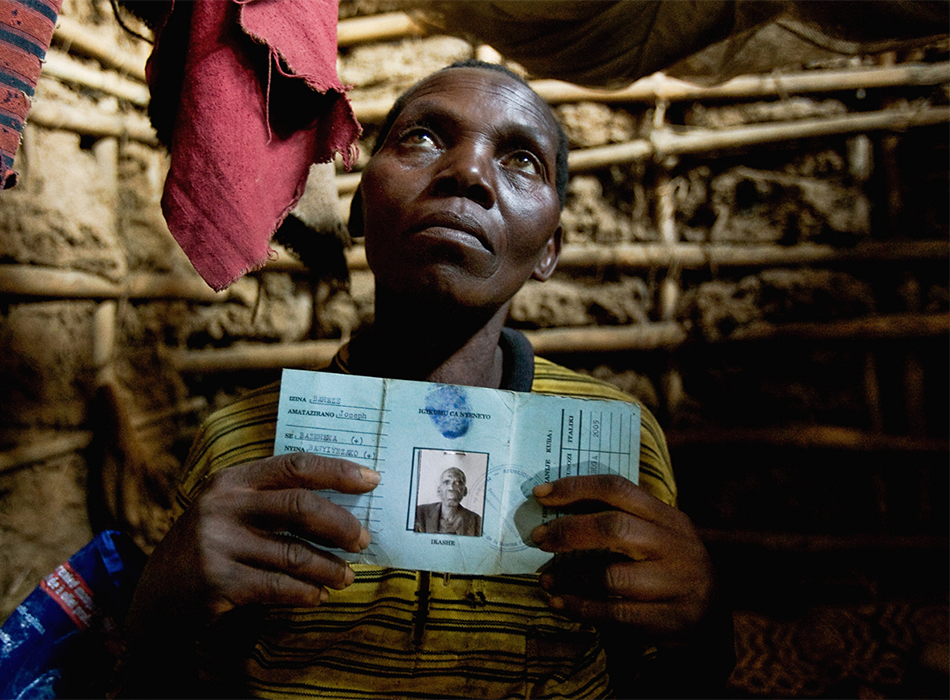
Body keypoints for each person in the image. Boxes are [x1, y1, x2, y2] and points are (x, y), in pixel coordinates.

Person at [123, 60, 733, 697]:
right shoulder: (242, 443)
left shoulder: (620, 447)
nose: (467, 173)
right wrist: (159, 604)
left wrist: (707, 622)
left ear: (550, 246)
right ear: (360, 209)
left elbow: (662, 678)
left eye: (522, 159)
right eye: (423, 137)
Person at [415, 466, 483, 536]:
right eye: (446, 482)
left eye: (458, 483)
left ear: (465, 491)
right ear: (439, 490)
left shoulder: (476, 520)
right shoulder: (420, 513)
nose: (451, 488)